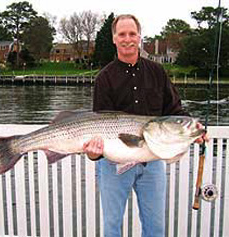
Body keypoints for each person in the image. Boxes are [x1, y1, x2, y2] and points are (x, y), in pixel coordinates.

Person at [83, 14, 207, 237]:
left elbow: (174, 110)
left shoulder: (158, 72)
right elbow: (98, 124)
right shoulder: (104, 78)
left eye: (132, 33)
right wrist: (94, 154)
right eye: (122, 34)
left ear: (139, 36)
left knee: (155, 228)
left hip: (152, 163)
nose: (127, 39)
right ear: (114, 38)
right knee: (112, 227)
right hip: (113, 165)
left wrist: (194, 128)